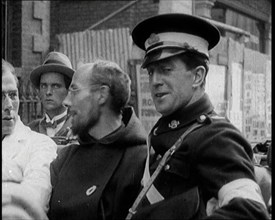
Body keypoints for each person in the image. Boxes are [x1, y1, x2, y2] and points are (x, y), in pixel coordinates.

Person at [129, 13, 270, 219]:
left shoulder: (217, 136)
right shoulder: (169, 127)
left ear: (198, 76)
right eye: (151, 72)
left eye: (165, 70)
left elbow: (250, 212)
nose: (155, 81)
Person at [48, 60, 147, 220]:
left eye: (74, 90)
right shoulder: (65, 158)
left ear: (102, 94)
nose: (66, 102)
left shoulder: (141, 161)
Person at [2, 59, 57, 219]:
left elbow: (33, 200)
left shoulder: (40, 145)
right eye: (1, 96)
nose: (8, 105)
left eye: (13, 95)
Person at [28, 51, 76, 146]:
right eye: (44, 86)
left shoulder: (78, 129)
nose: (48, 92)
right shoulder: (30, 130)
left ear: (68, 90)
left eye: (55, 86)